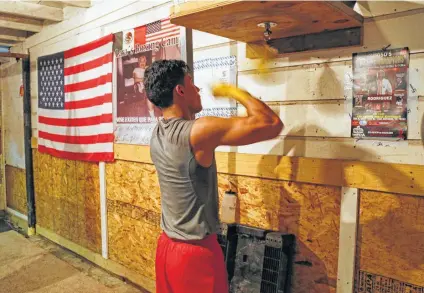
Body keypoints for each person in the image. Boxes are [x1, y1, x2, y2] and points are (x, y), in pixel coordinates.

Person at [143, 59, 283, 293]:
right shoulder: (197, 132)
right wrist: (235, 91)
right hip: (195, 254)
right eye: (192, 84)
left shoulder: (157, 132)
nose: (197, 90)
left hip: (167, 249)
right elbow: (271, 123)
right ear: (180, 90)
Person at [133, 55, 157, 119]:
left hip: (152, 84)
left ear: (146, 62)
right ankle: (152, 116)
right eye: (140, 61)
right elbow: (135, 79)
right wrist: (145, 79)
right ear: (138, 62)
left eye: (144, 61)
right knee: (149, 92)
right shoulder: (136, 69)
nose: (142, 63)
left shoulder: (148, 68)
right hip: (143, 87)